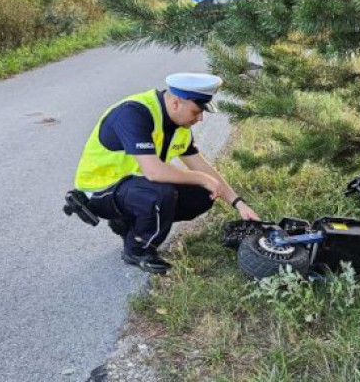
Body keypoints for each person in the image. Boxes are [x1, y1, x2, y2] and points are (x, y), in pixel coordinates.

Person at [72, 72, 260, 274]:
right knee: (160, 194)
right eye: (196, 112)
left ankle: (130, 223)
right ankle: (137, 249)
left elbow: (201, 166)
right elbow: (154, 172)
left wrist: (238, 203)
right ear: (177, 102)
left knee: (202, 194)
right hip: (100, 190)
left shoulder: (179, 125)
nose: (200, 119)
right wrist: (202, 178)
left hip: (135, 187)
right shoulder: (134, 113)